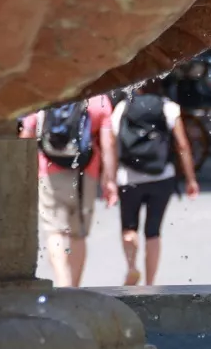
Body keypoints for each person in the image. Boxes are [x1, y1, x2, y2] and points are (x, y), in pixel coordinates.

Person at [20, 95, 117, 288]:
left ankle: (62, 281)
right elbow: (108, 143)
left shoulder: (48, 92)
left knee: (55, 231)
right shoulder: (99, 99)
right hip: (85, 174)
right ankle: (74, 287)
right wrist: (110, 179)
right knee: (77, 233)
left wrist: (22, 171)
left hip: (48, 171)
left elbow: (28, 133)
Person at [111, 82, 200, 286]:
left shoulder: (123, 107)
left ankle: (132, 267)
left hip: (129, 177)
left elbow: (112, 143)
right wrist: (190, 178)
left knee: (129, 227)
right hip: (162, 176)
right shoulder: (168, 107)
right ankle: (150, 283)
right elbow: (183, 145)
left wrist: (109, 177)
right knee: (153, 230)